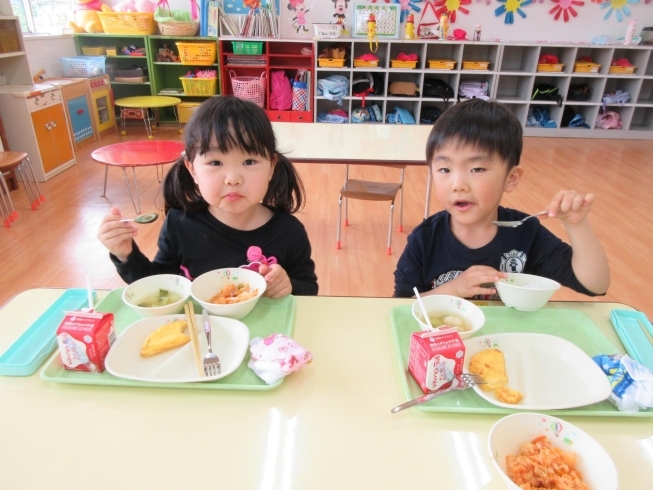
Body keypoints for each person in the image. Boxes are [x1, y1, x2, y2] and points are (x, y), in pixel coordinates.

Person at [98, 96, 318, 298]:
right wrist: (126, 255)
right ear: (192, 169)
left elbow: (309, 288)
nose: (233, 179)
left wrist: (289, 286)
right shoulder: (179, 224)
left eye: (249, 162)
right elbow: (160, 288)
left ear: (271, 166)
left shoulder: (289, 231)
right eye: (215, 163)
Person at [394, 99, 610, 299]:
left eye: (477, 168)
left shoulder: (526, 234)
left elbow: (595, 285)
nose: (458, 184)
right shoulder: (424, 240)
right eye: (444, 169)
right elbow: (401, 306)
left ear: (511, 178)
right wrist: (453, 289)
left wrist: (578, 225)